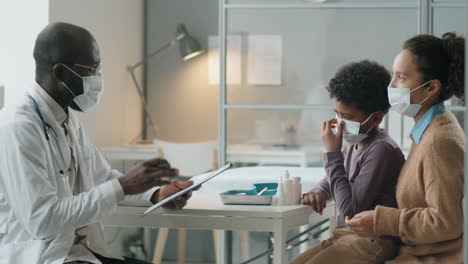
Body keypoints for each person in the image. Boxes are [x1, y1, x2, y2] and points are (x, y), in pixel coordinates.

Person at [0, 22, 196, 264]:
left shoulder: (68, 119)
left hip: (80, 253)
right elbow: (42, 221)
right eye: (92, 69)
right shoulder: (18, 126)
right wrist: (124, 185)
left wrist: (155, 193)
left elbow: (102, 177)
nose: (97, 78)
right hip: (42, 258)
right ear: (60, 72)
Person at [346, 32, 465, 264]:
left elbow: (446, 222)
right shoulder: (428, 130)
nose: (391, 86)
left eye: (401, 78)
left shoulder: (439, 142)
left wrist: (383, 221)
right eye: (393, 76)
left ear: (431, 88)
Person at [290, 60, 405, 264]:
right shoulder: (353, 143)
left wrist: (331, 153)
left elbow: (350, 210)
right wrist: (319, 191)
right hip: (343, 237)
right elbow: (334, 177)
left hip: (372, 240)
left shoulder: (381, 150)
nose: (340, 123)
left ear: (376, 118)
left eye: (347, 116)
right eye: (337, 114)